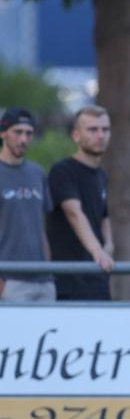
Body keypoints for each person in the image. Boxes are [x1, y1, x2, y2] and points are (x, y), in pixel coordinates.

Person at [47, 106, 115, 300]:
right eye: (92, 130)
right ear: (76, 135)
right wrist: (97, 251)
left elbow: (104, 215)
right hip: (69, 281)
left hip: (97, 278)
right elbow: (74, 213)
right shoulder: (63, 171)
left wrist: (109, 245)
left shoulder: (101, 175)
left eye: (105, 129)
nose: (100, 135)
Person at [0, 107, 54, 302]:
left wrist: (49, 271)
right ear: (3, 133)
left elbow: (41, 228)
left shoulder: (37, 173)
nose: (23, 139)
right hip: (10, 280)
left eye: (28, 133)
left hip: (44, 280)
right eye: (18, 132)